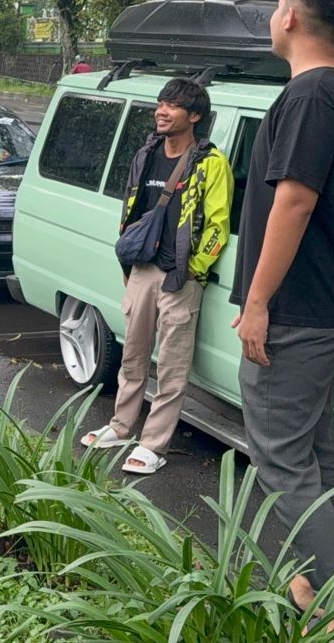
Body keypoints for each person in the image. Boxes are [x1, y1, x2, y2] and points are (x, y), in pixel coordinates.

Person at [230, 0, 334, 613]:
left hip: (298, 310)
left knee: (281, 462)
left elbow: (294, 201)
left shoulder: (310, 96)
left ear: (289, 16)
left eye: (274, 6)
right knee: (314, 455)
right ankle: (308, 589)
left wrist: (258, 301)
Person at [80, 78, 232, 474]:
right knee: (132, 356)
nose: (161, 111)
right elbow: (132, 207)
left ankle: (154, 444)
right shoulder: (146, 153)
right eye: (160, 103)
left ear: (194, 115)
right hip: (142, 270)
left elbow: (218, 224)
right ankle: (121, 425)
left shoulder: (210, 163)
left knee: (171, 366)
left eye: (173, 106)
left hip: (178, 277)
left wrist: (194, 270)